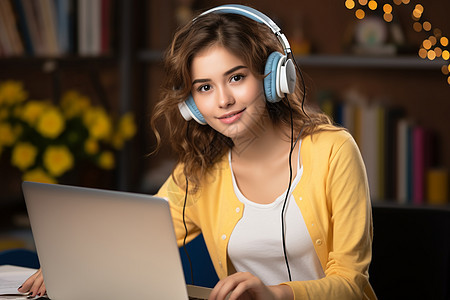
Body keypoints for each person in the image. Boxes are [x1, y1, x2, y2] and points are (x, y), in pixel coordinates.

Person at [19, 4, 377, 300]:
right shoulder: (200, 171)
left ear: (272, 78)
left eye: (236, 77)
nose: (223, 101)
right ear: (191, 104)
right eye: (205, 87)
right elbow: (135, 239)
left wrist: (275, 295)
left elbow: (352, 282)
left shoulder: (333, 150)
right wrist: (69, 266)